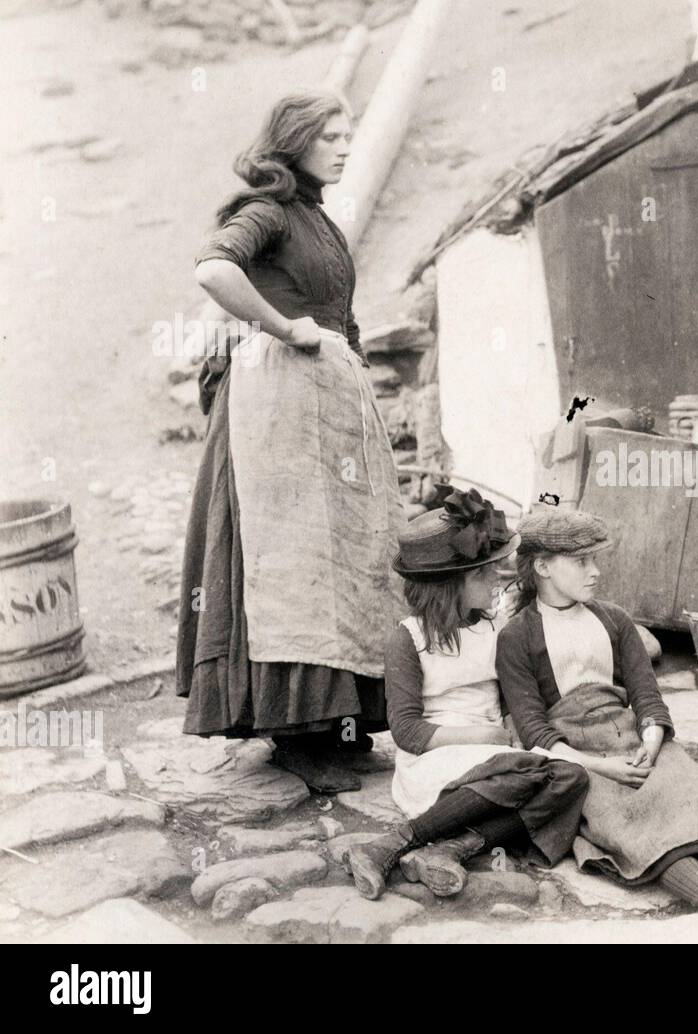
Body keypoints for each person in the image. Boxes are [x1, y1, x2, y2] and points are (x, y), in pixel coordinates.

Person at [176, 90, 405, 794]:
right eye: (330, 136)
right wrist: (283, 326)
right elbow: (214, 270)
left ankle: (343, 727)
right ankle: (295, 737)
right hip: (274, 410)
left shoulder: (318, 220)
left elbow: (341, 314)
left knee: (345, 558)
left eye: (347, 134)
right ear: (295, 142)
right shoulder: (268, 212)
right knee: (291, 563)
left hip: (328, 407)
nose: (343, 145)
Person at [496, 508, 698, 943]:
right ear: (542, 567)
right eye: (582, 562)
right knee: (635, 821)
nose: (595, 572)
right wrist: (602, 767)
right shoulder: (516, 636)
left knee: (691, 799)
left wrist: (652, 739)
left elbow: (646, 695)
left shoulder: (613, 619)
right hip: (574, 759)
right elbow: (534, 729)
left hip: (632, 735)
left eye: (596, 560)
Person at [343, 487, 590, 900]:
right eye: (484, 573)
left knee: (571, 777)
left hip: (497, 757)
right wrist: (483, 738)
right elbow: (406, 730)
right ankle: (392, 844)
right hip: (438, 756)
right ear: (451, 585)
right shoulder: (408, 638)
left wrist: (513, 728)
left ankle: (448, 849)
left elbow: (512, 694)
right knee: (525, 774)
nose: (496, 579)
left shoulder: (494, 626)